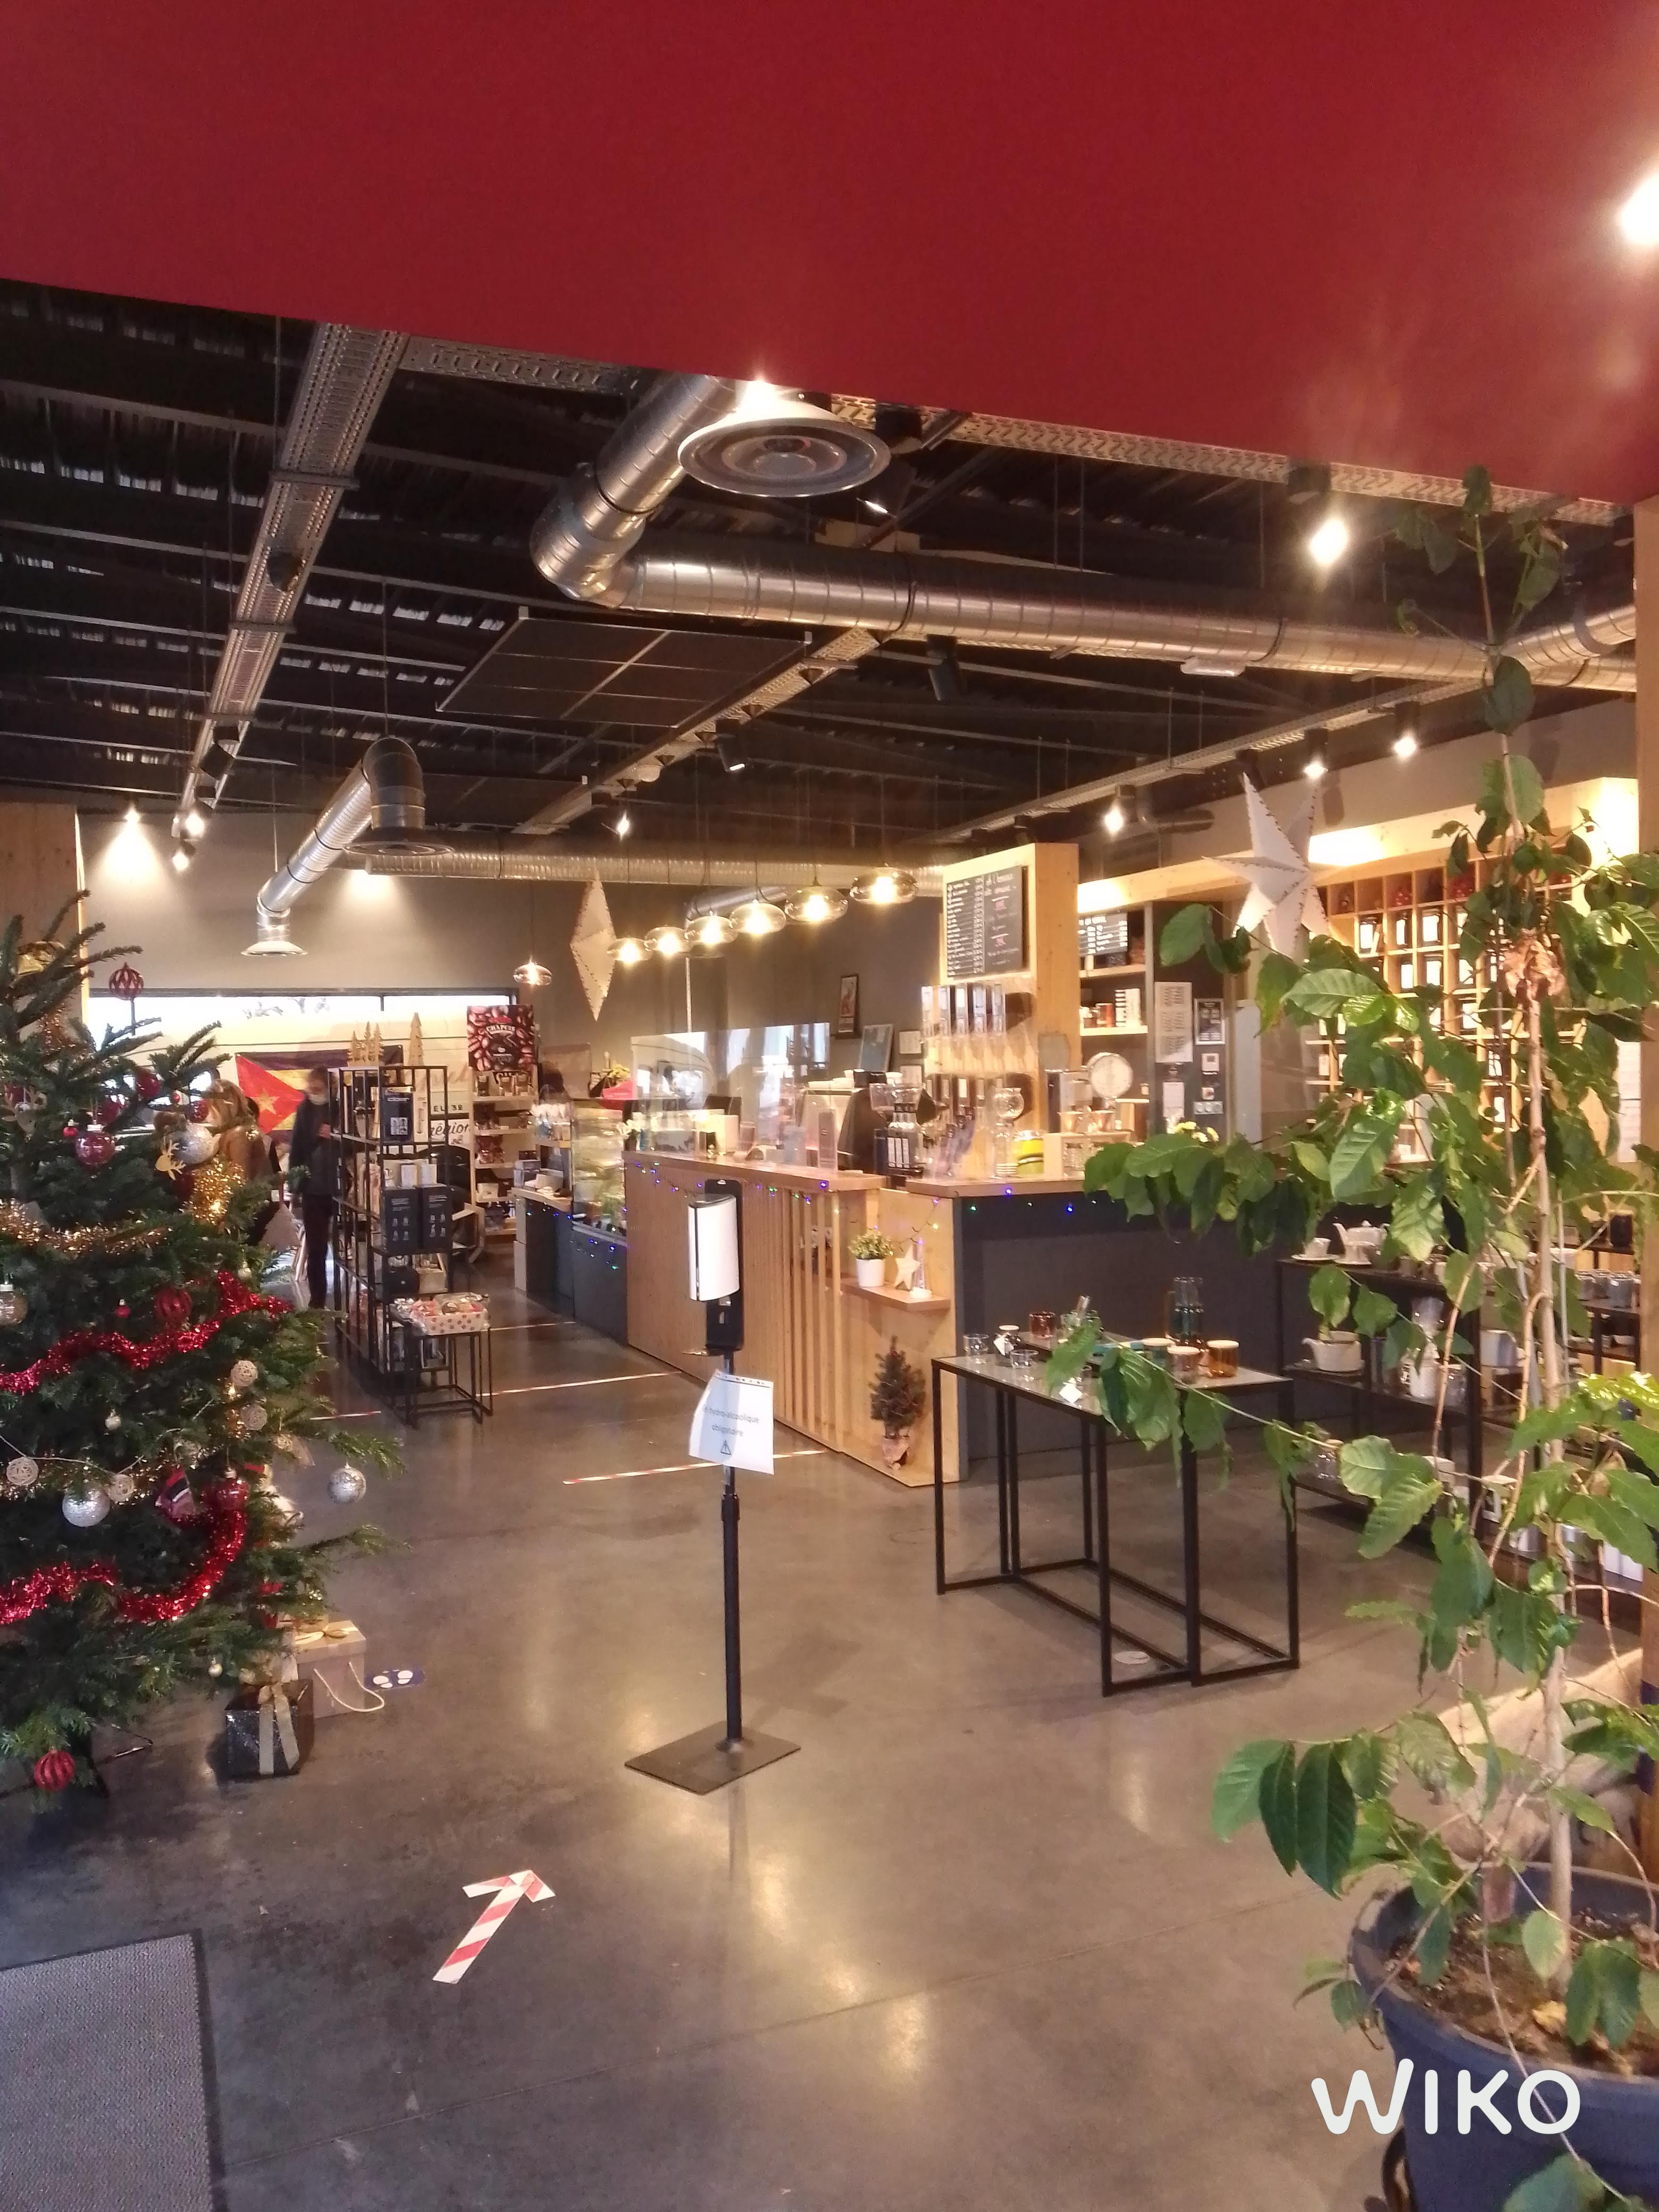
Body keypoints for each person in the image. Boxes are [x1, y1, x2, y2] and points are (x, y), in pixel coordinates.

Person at [287, 1070, 339, 1311]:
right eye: (311, 1090)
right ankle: (317, 1300)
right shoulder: (304, 1110)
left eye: (318, 1090)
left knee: (350, 1248)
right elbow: (297, 1147)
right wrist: (295, 1185)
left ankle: (350, 1297)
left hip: (341, 1187)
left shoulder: (343, 1108)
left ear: (331, 1088)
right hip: (312, 1188)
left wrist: (337, 1136)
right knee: (317, 1247)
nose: (313, 1094)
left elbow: (361, 1145)